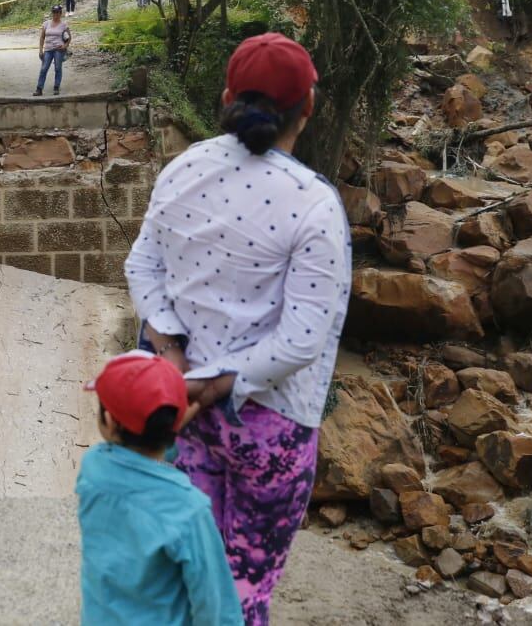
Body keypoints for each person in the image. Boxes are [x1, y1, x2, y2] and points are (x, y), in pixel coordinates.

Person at [123, 32, 351, 626]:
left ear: (227, 97)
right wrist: (219, 384)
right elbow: (301, 340)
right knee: (242, 590)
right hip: (269, 423)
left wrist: (171, 355)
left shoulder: (182, 169)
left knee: (186, 576)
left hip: (180, 409)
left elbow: (142, 266)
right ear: (308, 107)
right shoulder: (314, 203)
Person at [78, 351, 243, 626]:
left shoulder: (93, 469)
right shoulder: (188, 509)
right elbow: (216, 606)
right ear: (175, 424)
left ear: (109, 421)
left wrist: (170, 428)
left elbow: (137, 457)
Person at [34, 4, 70, 96]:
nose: (56, 14)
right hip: (48, 49)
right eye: (54, 12)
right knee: (44, 68)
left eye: (57, 12)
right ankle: (39, 89)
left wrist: (65, 46)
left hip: (59, 49)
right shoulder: (46, 24)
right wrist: (40, 50)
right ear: (52, 13)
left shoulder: (64, 25)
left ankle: (56, 87)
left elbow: (69, 37)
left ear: (60, 13)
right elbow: (42, 37)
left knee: (58, 68)